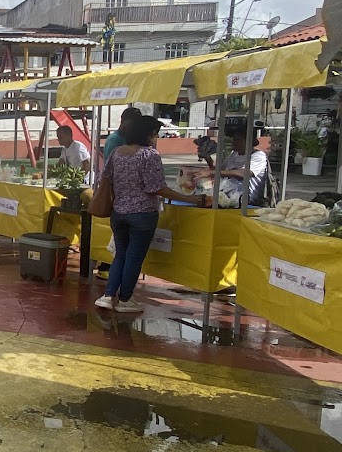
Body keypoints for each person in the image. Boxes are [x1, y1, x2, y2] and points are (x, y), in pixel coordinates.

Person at [96, 115, 207, 313]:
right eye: (155, 134)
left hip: (118, 212)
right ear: (147, 134)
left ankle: (108, 295)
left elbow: (106, 180)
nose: (156, 138)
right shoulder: (149, 155)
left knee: (120, 254)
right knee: (134, 257)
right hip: (142, 214)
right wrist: (192, 199)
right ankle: (125, 299)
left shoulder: (116, 153)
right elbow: (157, 188)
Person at [215, 123, 270, 206]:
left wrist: (213, 173)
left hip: (247, 201)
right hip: (228, 195)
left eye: (238, 140)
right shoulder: (234, 154)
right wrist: (207, 158)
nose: (234, 142)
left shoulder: (258, 155)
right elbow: (220, 172)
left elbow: (245, 173)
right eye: (234, 139)